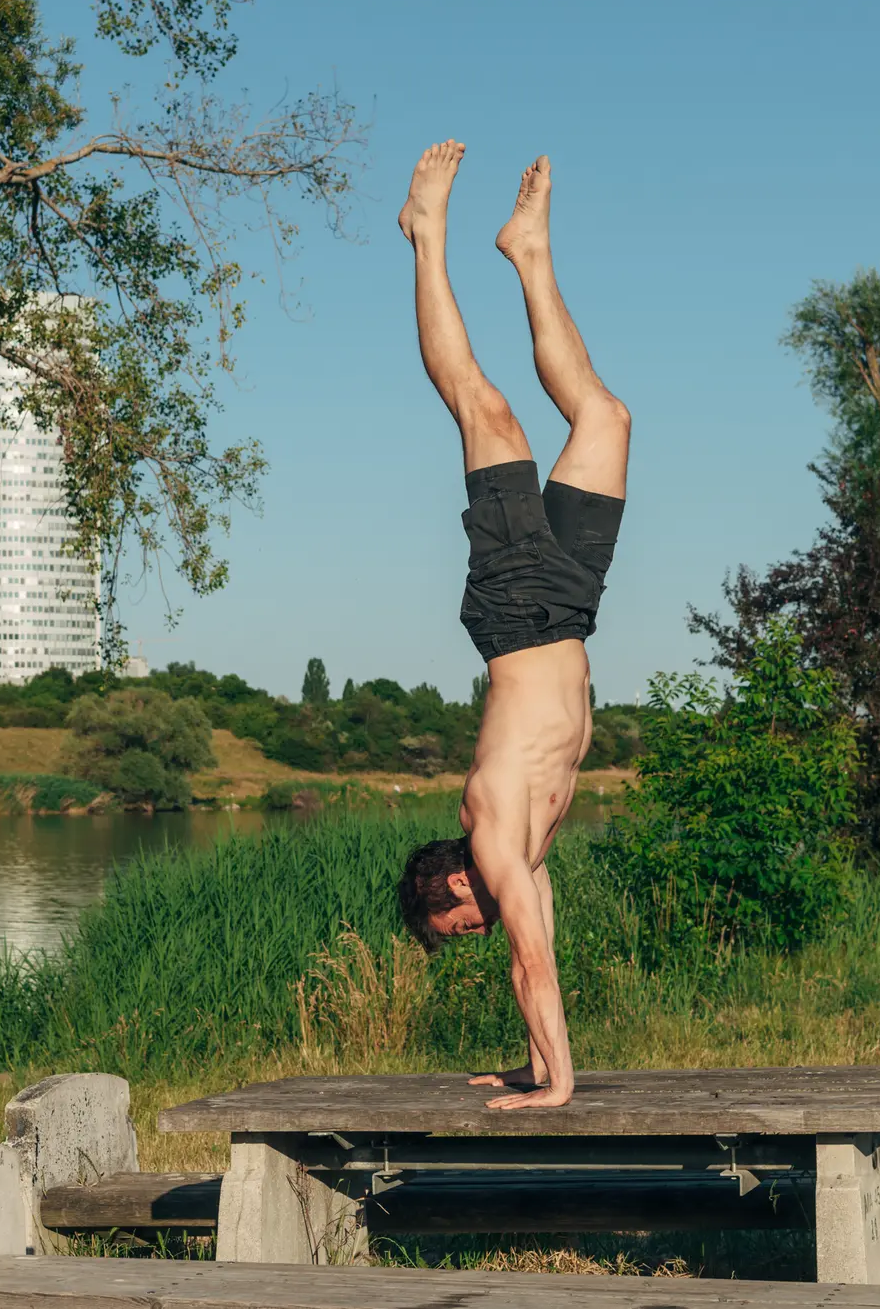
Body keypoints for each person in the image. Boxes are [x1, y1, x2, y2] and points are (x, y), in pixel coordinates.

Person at [393, 140, 630, 1112]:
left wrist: (556, 1088)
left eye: (455, 930)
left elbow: (529, 960)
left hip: (516, 609)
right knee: (605, 418)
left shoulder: (493, 837)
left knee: (483, 407)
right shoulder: (519, 857)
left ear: (448, 890)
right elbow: (534, 954)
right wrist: (533, 1064)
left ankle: (424, 235)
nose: (475, 936)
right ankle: (527, 250)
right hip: (567, 607)